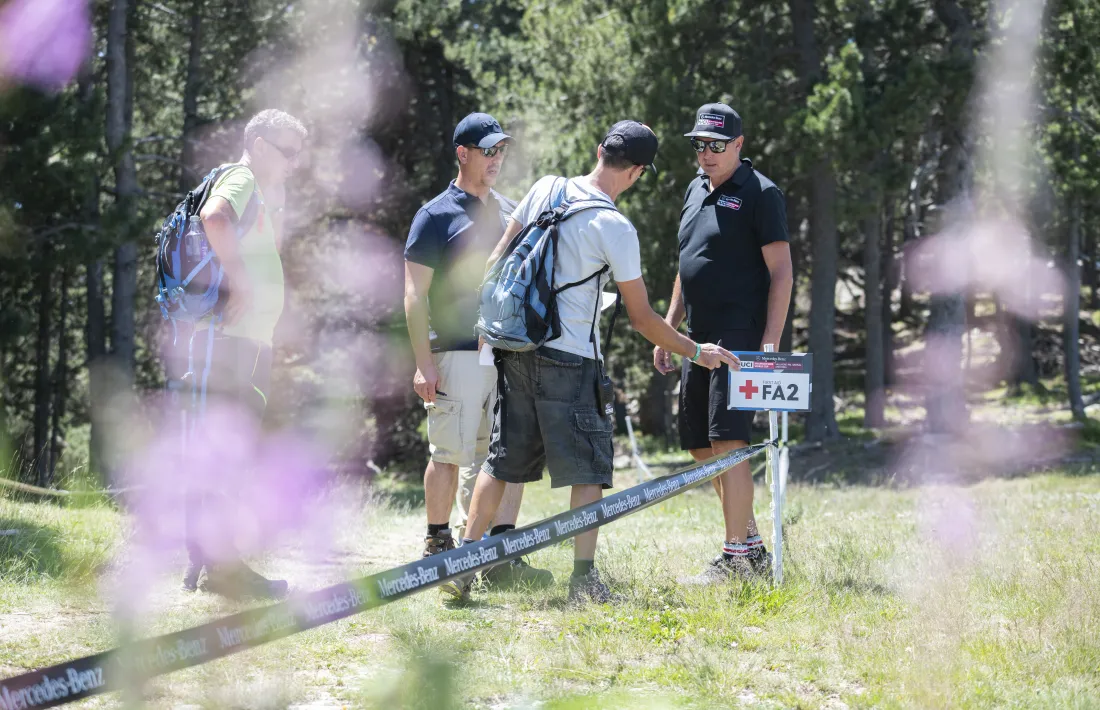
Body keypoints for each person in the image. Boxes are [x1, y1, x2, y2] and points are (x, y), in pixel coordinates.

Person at [442, 121, 740, 603]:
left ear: (600, 150)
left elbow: (498, 259)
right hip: (570, 358)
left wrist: (491, 326)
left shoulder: (546, 187)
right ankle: (583, 582)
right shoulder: (615, 227)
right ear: (639, 171)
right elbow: (642, 319)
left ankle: (461, 566)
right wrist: (696, 351)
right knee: (587, 470)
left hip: (516, 347)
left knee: (501, 461)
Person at [403, 112, 552, 589]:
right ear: (462, 153)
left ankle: (491, 554)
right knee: (449, 453)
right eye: (488, 150)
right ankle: (437, 543)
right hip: (456, 354)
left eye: (501, 150)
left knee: (499, 455)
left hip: (508, 354)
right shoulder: (435, 215)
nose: (497, 159)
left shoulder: (511, 212)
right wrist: (423, 362)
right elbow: (413, 294)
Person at [653, 102, 793, 583]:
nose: (706, 155)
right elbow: (687, 263)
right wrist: (670, 328)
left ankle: (736, 557)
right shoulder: (694, 189)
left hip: (739, 335)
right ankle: (751, 548)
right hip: (696, 337)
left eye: (716, 145)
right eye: (699, 145)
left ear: (738, 144)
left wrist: (769, 342)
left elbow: (781, 271)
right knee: (698, 444)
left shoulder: (761, 193)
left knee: (728, 440)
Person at [181, 109, 307, 598]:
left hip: (238, 343)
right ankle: (223, 569)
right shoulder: (240, 177)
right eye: (286, 151)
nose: (294, 163)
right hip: (237, 344)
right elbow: (214, 217)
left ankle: (206, 562)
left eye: (299, 154)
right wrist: (239, 281)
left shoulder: (262, 189)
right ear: (256, 142)